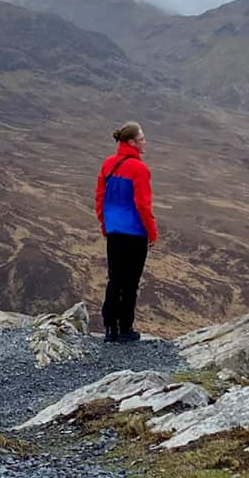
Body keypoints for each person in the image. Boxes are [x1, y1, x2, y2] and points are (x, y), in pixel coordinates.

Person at [94, 121, 158, 343]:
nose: (144, 142)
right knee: (130, 283)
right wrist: (152, 233)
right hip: (135, 233)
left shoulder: (108, 165)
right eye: (141, 139)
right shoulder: (140, 169)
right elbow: (143, 205)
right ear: (131, 142)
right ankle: (125, 329)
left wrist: (105, 225)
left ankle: (109, 328)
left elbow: (100, 199)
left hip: (114, 231)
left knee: (115, 280)